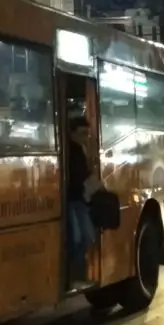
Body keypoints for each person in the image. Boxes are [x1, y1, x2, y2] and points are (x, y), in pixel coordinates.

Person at [66, 117, 98, 284]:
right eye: (82, 133)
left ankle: (78, 274)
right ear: (72, 133)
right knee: (77, 238)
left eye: (87, 133)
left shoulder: (81, 150)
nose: (85, 136)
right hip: (70, 200)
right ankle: (73, 275)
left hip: (79, 200)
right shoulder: (69, 151)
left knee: (88, 236)